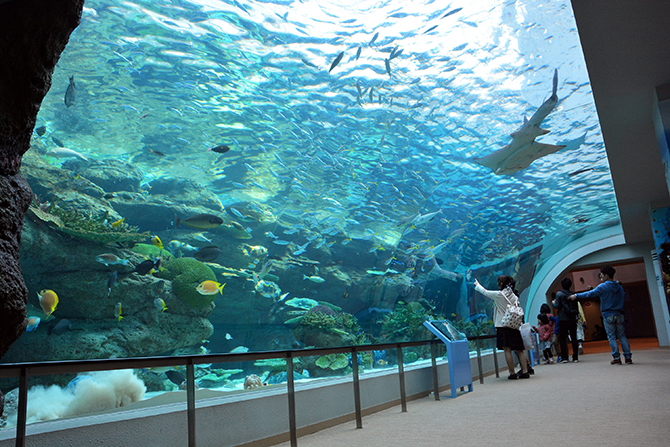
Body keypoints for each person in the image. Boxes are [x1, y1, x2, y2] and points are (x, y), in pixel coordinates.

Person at [569, 265, 632, 364]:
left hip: (608, 315)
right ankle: (628, 357)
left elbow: (590, 294)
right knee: (622, 336)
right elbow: (622, 296)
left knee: (611, 337)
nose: (601, 277)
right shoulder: (619, 287)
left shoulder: (603, 286)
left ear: (606, 275)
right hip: (619, 314)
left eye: (601, 275)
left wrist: (576, 296)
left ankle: (616, 358)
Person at [474, 275, 530, 379]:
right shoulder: (514, 296)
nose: (498, 284)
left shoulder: (499, 295)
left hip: (503, 325)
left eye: (499, 282)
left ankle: (512, 373)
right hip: (514, 325)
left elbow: (485, 292)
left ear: (501, 283)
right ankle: (525, 371)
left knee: (507, 349)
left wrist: (477, 284)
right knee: (519, 349)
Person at [553, 277, 579, 363]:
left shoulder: (559, 294)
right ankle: (575, 357)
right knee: (574, 338)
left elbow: (557, 306)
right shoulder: (573, 294)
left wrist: (553, 303)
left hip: (562, 319)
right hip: (572, 318)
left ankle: (565, 357)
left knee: (562, 339)